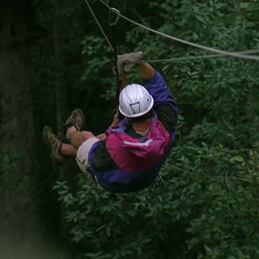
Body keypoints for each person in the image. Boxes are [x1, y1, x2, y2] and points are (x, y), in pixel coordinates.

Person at [42, 52, 178, 193]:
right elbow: (156, 83)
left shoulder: (114, 145)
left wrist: (114, 125)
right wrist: (138, 63)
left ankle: (70, 131)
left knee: (86, 138)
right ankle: (61, 149)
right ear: (150, 104)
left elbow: (98, 159)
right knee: (100, 140)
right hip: (146, 176)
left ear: (126, 116)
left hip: (114, 182)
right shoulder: (167, 120)